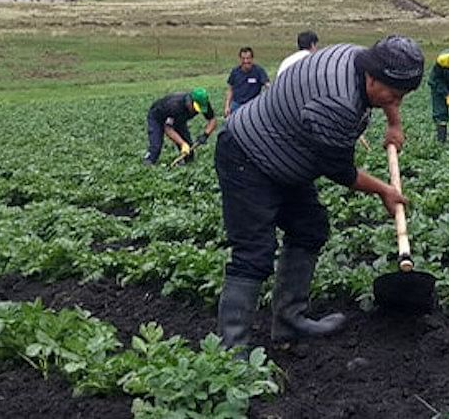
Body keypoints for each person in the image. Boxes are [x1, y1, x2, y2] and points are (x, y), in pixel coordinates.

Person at [214, 35, 422, 349]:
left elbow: (389, 95)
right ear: (372, 78)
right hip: (247, 156)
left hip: (285, 155)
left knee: (309, 229)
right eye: (393, 96)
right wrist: (384, 190)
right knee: (254, 252)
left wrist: (394, 124)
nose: (396, 102)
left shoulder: (357, 57)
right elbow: (340, 171)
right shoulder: (336, 103)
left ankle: (289, 321)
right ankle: (231, 352)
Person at [143, 88, 218, 165]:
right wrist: (182, 143)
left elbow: (212, 120)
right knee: (156, 146)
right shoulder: (175, 105)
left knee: (189, 153)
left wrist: (205, 135)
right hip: (157, 117)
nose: (196, 112)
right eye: (195, 108)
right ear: (190, 101)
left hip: (179, 120)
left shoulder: (203, 103)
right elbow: (168, 129)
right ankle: (148, 162)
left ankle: (185, 164)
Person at [225, 47, 269, 117]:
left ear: (252, 58)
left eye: (248, 58)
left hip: (252, 106)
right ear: (240, 59)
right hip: (237, 104)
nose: (246, 61)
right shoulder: (235, 71)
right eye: (243, 58)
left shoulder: (259, 71)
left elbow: (267, 86)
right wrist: (227, 106)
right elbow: (230, 90)